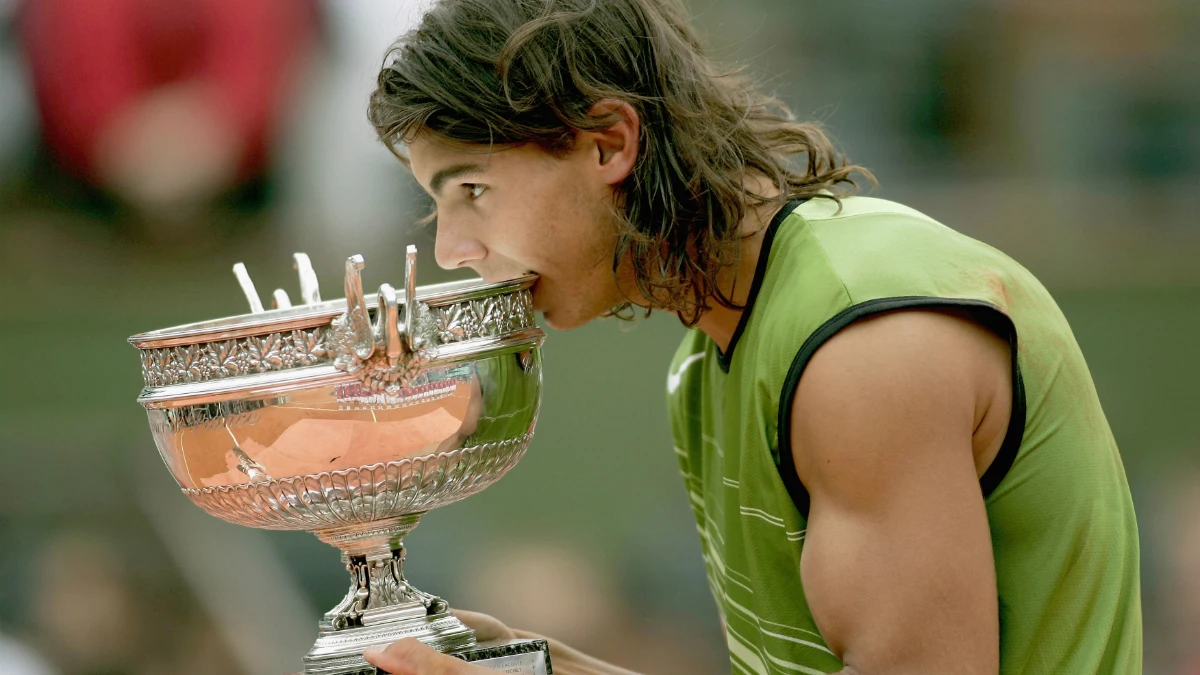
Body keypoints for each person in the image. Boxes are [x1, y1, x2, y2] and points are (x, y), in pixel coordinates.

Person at [360, 0, 1142, 673]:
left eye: (472, 189)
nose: (450, 249)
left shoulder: (861, 346)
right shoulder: (708, 359)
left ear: (607, 142)